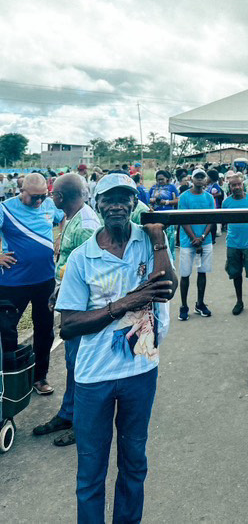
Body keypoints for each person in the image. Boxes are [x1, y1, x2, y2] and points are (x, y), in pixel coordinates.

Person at [56, 173, 177, 523]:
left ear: (134, 203)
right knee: (91, 469)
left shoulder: (147, 242)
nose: (117, 206)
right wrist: (125, 303)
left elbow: (168, 289)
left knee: (134, 462)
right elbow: (69, 325)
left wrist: (159, 240)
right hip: (94, 378)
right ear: (97, 204)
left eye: (125, 198)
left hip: (141, 371)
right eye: (109, 199)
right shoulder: (84, 257)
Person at [33, 173, 101, 446]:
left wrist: (62, 293)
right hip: (71, 301)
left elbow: (89, 272)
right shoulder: (74, 217)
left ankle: (82, 422)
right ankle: (68, 413)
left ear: (60, 197)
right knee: (73, 363)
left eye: (53, 193)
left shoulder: (85, 225)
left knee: (82, 365)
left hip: (81, 308)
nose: (51, 197)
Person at [0, 172, 65, 394]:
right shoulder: (5, 208)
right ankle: (10, 378)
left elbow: (62, 217)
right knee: (6, 330)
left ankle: (39, 378)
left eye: (43, 196)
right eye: (34, 197)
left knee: (45, 330)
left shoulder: (49, 205)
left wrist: (61, 236)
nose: (39, 201)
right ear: (21, 191)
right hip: (12, 283)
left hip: (44, 281)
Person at [177, 169, 215, 320]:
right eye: (196, 177)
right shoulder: (184, 197)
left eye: (202, 177)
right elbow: (183, 219)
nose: (199, 179)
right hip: (188, 241)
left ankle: (200, 303)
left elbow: (212, 219)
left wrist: (202, 237)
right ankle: (183, 306)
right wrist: (194, 238)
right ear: (191, 179)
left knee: (202, 272)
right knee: (185, 274)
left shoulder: (209, 197)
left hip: (205, 240)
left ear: (205, 180)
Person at [222, 173, 248, 315]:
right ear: (230, 187)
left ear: (243, 184)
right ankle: (239, 301)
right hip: (233, 244)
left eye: (239, 184)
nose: (237, 187)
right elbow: (225, 222)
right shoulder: (226, 203)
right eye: (233, 185)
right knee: (235, 274)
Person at [148, 170, 179, 250]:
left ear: (167, 179)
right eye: (158, 179)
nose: (160, 181)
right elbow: (148, 199)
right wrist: (151, 201)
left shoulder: (172, 187)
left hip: (168, 216)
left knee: (169, 239)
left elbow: (177, 200)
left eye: (162, 179)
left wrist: (166, 202)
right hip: (156, 215)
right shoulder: (153, 188)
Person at [206, 168, 224, 244]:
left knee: (213, 222)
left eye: (207, 177)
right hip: (209, 205)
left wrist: (211, 196)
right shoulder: (209, 186)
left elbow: (219, 193)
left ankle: (213, 237)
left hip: (214, 205)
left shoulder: (215, 185)